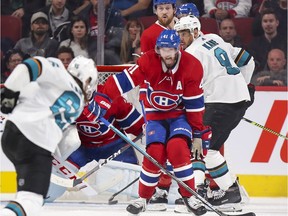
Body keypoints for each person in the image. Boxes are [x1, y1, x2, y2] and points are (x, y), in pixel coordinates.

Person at [84, 29, 211, 215]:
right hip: (154, 113)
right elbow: (121, 82)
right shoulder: (147, 61)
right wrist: (102, 101)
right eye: (163, 49)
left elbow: (194, 105)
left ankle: (189, 197)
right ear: (158, 50)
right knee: (154, 152)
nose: (167, 54)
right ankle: (143, 198)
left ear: (179, 48)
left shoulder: (192, 66)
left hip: (179, 114)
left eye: (171, 49)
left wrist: (198, 133)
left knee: (177, 148)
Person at [174, 15, 255, 212]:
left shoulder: (191, 54)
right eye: (178, 35)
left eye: (184, 34)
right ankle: (231, 193)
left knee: (198, 147)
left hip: (220, 102)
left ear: (194, 31)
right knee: (210, 150)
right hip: (236, 100)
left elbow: (186, 89)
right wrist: (240, 88)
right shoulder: (215, 38)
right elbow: (247, 59)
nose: (181, 39)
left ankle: (197, 195)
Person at [0, 55, 98, 216]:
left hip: (13, 134)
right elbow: (30, 64)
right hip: (35, 146)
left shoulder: (63, 79)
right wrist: (9, 96)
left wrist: (9, 95)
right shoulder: (75, 97)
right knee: (31, 200)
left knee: (28, 198)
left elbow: (29, 67)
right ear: (88, 80)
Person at [46, 88, 145, 201]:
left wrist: (147, 132)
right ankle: (45, 195)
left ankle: (143, 198)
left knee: (131, 177)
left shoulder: (112, 97)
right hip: (83, 147)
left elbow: (138, 126)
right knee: (59, 168)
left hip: (114, 146)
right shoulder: (67, 100)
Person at [247, 8, 287, 73]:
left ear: (277, 23)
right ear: (261, 24)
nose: (268, 24)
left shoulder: (286, 42)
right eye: (265, 21)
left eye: (271, 21)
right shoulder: (254, 44)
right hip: (260, 77)